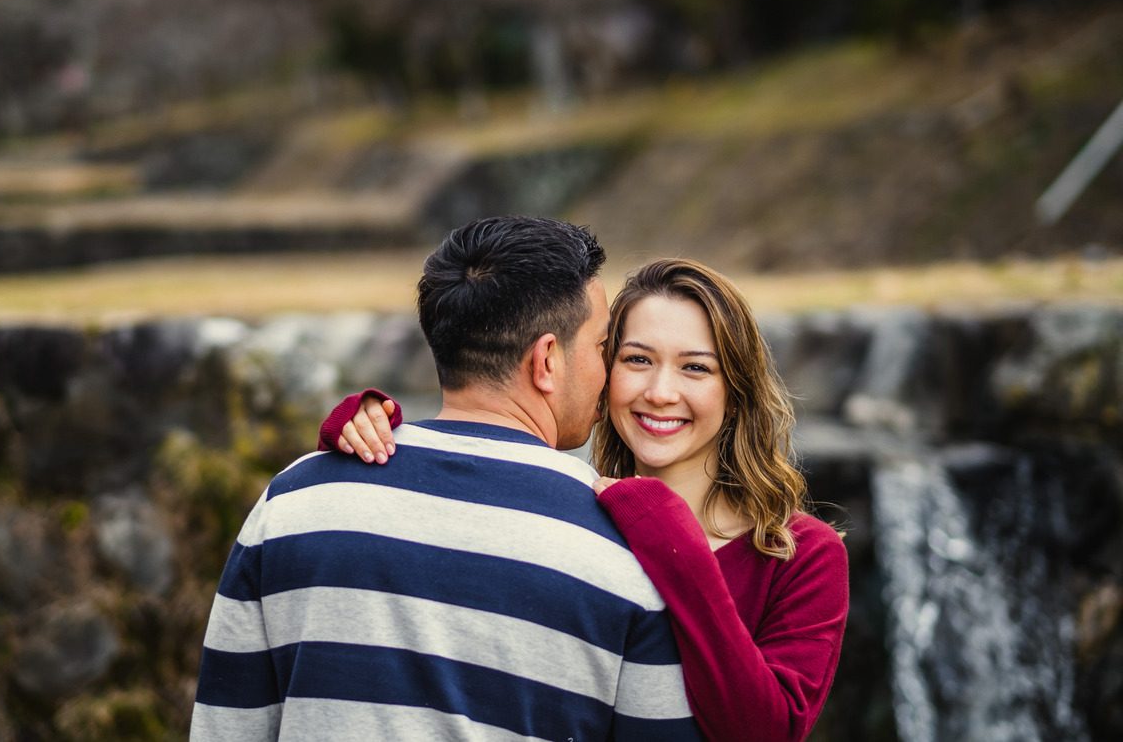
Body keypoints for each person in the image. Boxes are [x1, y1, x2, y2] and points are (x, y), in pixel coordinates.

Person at [192, 217, 703, 741]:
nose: (610, 370)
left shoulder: (294, 501)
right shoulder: (624, 547)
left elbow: (225, 727)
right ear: (546, 360)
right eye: (601, 347)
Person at [323, 257, 849, 742]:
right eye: (637, 359)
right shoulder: (573, 510)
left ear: (735, 390)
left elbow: (766, 731)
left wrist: (674, 544)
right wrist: (382, 443)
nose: (661, 392)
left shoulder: (802, 555)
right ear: (600, 370)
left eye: (695, 368)